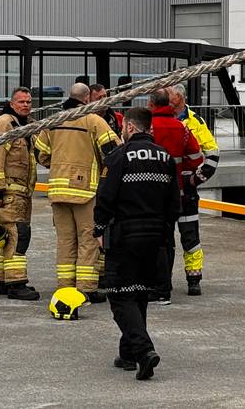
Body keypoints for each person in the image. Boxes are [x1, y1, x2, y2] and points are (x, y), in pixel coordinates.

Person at [94, 107, 178, 381]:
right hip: (156, 236)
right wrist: (164, 231)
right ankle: (128, 353)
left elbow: (105, 197)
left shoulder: (118, 157)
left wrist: (98, 228)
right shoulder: (165, 158)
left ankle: (143, 351)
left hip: (125, 234)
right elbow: (173, 203)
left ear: (129, 127)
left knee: (119, 294)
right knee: (139, 292)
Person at [34, 83, 120, 301]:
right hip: (85, 192)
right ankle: (85, 289)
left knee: (65, 241)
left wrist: (58, 166)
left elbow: (40, 154)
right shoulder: (93, 121)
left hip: (57, 191)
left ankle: (64, 288)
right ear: (87, 99)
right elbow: (114, 152)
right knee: (88, 240)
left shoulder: (53, 122)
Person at [145, 90, 203, 301]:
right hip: (180, 194)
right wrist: (189, 178)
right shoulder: (183, 128)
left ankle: (159, 283)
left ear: (151, 104)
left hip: (151, 196)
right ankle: (191, 281)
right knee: (187, 239)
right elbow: (197, 158)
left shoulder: (147, 127)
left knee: (159, 242)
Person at [0, 87, 40, 301]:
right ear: (12, 103)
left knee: (9, 236)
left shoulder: (24, 125)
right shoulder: (4, 123)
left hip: (22, 191)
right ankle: (17, 284)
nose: (26, 105)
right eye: (21, 102)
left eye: (28, 102)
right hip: (9, 191)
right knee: (19, 235)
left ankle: (5, 281)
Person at [168, 85, 220, 294]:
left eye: (169, 94)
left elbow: (212, 152)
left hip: (186, 189)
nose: (165, 97)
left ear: (178, 96)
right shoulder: (161, 120)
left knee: (190, 236)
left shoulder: (196, 122)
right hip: (163, 188)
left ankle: (194, 278)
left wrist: (196, 180)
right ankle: (164, 278)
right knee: (164, 238)